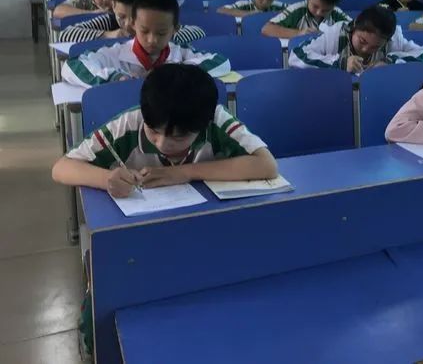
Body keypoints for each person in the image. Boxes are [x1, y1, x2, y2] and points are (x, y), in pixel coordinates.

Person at [52, 63, 277, 361]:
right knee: (110, 294)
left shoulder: (216, 120)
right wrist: (106, 179)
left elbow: (266, 165)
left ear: (203, 123)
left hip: (200, 232)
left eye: (178, 138)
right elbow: (61, 168)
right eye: (153, 132)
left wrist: (184, 172)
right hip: (139, 238)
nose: (162, 143)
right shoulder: (129, 123)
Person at [61, 0, 229, 88]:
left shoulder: (181, 52)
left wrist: (177, 72)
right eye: (144, 31)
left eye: (161, 33)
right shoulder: (115, 53)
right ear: (133, 24)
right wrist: (116, 78)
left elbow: (221, 62)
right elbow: (73, 65)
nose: (152, 40)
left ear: (175, 29)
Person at [289, 5, 423, 72]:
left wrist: (390, 62)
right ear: (355, 26)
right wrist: (340, 63)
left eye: (375, 47)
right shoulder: (335, 35)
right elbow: (296, 55)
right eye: (362, 41)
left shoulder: (393, 39)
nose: (365, 49)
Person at [59, 0, 206, 44]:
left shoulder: (154, 26)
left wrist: (163, 37)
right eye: (122, 17)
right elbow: (65, 35)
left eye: (135, 18)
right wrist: (108, 35)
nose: (129, 24)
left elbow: (198, 31)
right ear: (113, 7)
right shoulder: (110, 21)